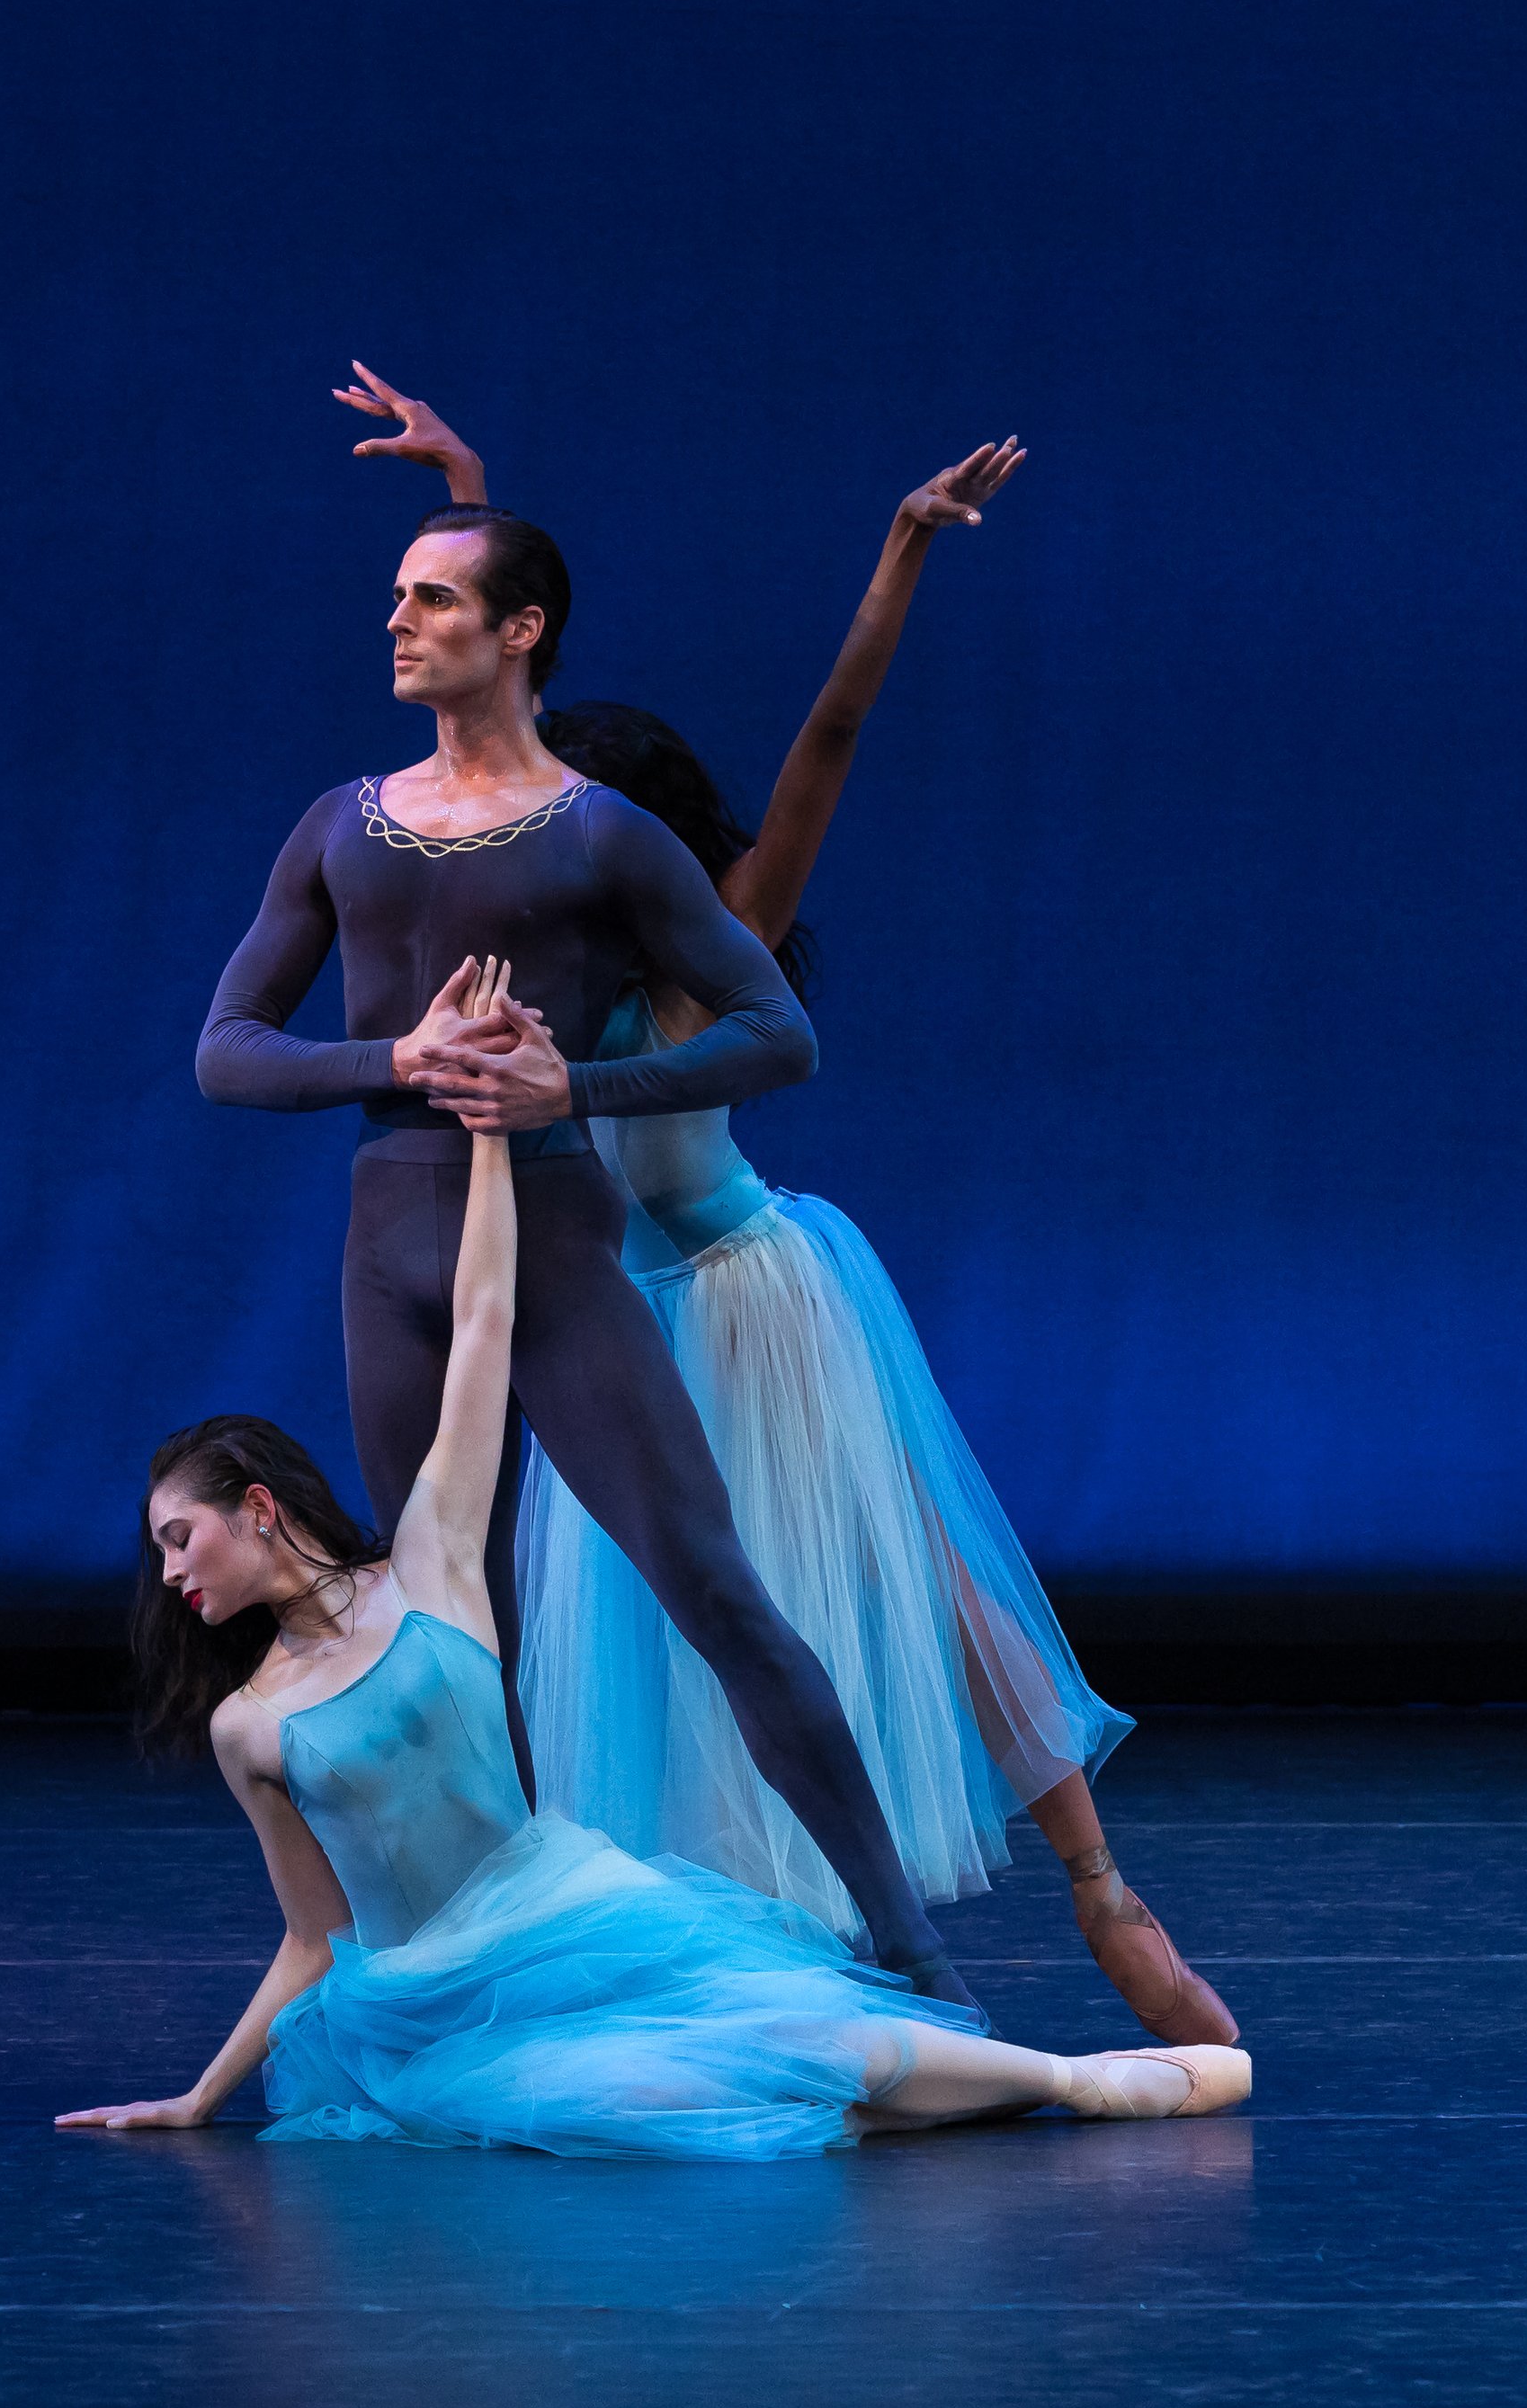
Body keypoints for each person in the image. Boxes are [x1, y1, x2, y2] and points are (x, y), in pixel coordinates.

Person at [335, 364, 1236, 2048]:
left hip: (750, 1292)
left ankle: (1103, 1882)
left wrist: (901, 551)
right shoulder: (518, 942)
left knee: (925, 1580)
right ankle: (725, 1943)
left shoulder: (697, 923)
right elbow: (498, 674)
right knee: (679, 1637)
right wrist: (465, 476)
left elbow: (826, 735)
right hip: (614, 1313)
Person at [57, 990, 1251, 2155]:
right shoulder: (248, 1721)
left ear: (255, 1507)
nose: (170, 1574)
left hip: (571, 1917)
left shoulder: (424, 1562)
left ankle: (1085, 2083)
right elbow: (314, 1941)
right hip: (430, 2008)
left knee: (792, 2030)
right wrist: (198, 2098)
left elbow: (484, 1323)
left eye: (178, 1535)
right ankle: (1052, 2085)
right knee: (646, 2091)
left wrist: (490, 1133)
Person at [193, 430, 974, 2001]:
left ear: (520, 630)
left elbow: (777, 1034)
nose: (398, 622)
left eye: (432, 600)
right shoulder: (342, 824)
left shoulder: (604, 835)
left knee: (715, 1586)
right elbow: (228, 1052)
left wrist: (573, 1098)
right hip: (394, 1249)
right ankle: (514, 1947)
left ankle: (907, 1939)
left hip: (554, 1250)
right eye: (396, 598)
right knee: (439, 1633)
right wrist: (398, 1056)